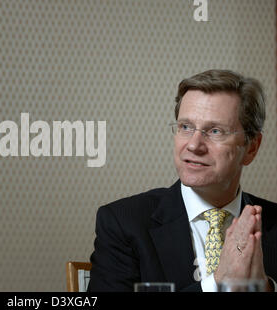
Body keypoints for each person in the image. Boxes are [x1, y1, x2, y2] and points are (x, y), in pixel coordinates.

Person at [88, 69, 277, 292]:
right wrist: (217, 283)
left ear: (251, 147)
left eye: (215, 131)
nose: (194, 145)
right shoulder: (124, 223)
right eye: (185, 127)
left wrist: (265, 289)